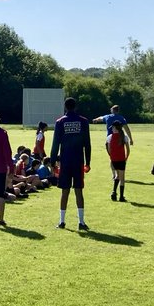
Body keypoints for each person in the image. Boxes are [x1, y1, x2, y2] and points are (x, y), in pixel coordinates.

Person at [50, 97, 91, 230]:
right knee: (79, 190)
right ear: (75, 106)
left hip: (65, 161)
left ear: (65, 107)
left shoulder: (60, 122)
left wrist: (52, 162)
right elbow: (87, 144)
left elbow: (55, 144)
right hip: (78, 160)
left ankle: (62, 221)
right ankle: (81, 222)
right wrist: (88, 162)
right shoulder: (83, 121)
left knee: (65, 191)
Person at [106, 125, 129, 202]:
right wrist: (126, 157)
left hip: (114, 159)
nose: (112, 129)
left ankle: (114, 192)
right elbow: (128, 150)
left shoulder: (109, 137)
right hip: (121, 159)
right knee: (122, 178)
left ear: (115, 128)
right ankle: (121, 196)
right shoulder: (124, 137)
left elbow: (109, 149)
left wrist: (111, 156)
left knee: (117, 175)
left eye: (112, 128)